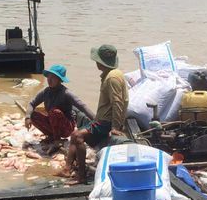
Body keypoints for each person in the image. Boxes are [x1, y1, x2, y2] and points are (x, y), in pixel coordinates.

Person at [55, 44, 129, 185]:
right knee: (75, 134)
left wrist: (115, 127)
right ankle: (67, 169)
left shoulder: (112, 78)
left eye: (97, 60)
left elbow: (118, 102)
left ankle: (81, 176)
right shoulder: (112, 74)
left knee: (77, 136)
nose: (95, 62)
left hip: (106, 122)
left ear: (101, 62)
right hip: (102, 119)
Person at [24, 64, 95, 150]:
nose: (49, 80)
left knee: (55, 112)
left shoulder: (66, 93)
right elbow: (32, 103)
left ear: (60, 80)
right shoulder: (46, 92)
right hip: (53, 124)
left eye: (53, 77)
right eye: (49, 77)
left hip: (66, 127)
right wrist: (27, 117)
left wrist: (96, 120)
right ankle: (52, 136)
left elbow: (82, 106)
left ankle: (57, 140)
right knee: (33, 115)